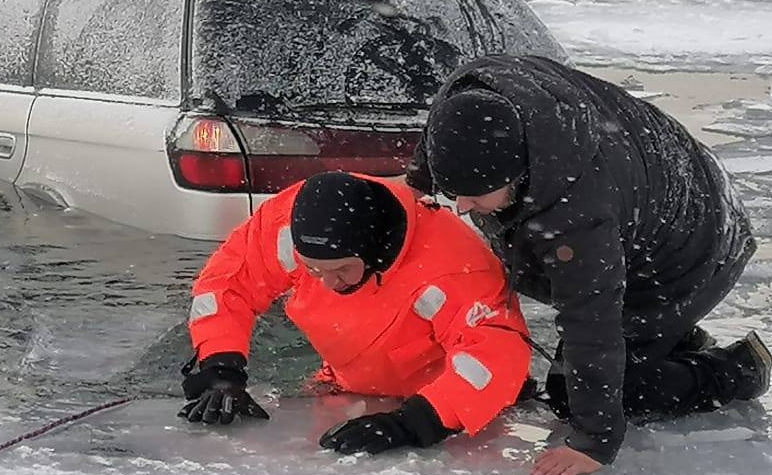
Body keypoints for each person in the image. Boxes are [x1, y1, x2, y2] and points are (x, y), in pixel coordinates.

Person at [406, 54, 772, 475]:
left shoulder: (578, 212)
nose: (464, 209)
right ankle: (669, 337)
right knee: (595, 362)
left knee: (579, 392)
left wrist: (594, 441)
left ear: (518, 171)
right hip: (655, 193)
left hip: (689, 253)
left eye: (477, 196)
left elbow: (589, 324)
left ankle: (736, 370)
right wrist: (421, 184)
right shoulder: (470, 99)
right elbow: (440, 149)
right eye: (457, 193)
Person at [179, 171, 533, 454]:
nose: (328, 284)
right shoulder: (292, 221)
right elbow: (226, 286)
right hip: (344, 383)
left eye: (342, 271)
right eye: (313, 270)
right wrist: (220, 368)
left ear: (374, 252)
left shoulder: (455, 267)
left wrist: (414, 423)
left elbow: (498, 356)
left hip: (441, 401)